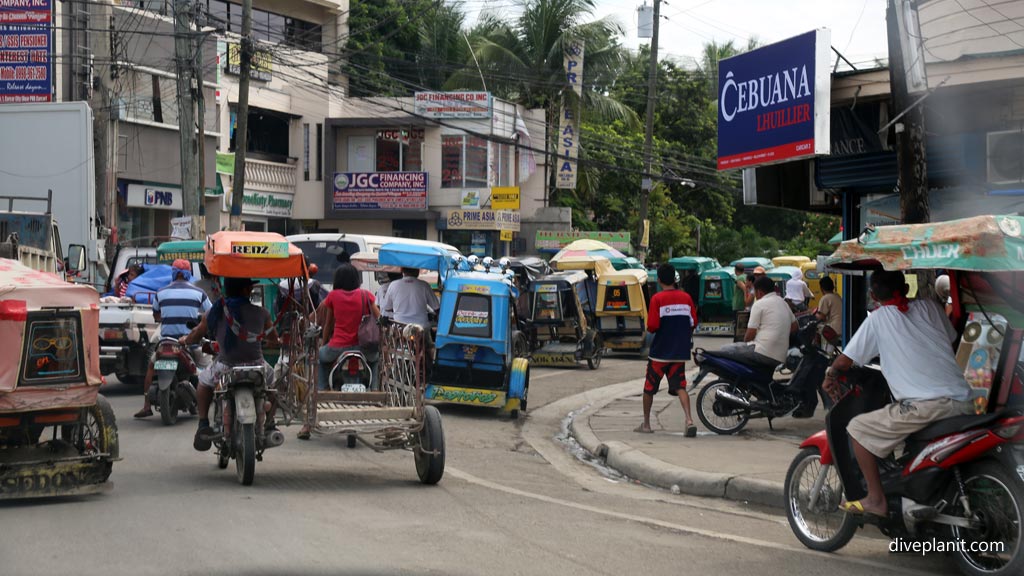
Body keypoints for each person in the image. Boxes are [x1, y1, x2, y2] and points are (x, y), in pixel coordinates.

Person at [823, 271, 974, 517]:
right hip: (964, 399)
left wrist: (830, 375)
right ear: (905, 287)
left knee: (858, 430)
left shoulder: (877, 319)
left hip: (927, 406)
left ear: (872, 295)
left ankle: (875, 499)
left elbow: (845, 361)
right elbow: (950, 338)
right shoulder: (930, 307)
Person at [179, 277, 280, 451]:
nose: (250, 290)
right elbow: (273, 339)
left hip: (226, 367)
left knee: (203, 383)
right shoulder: (262, 313)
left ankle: (203, 423)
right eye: (249, 287)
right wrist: (271, 343)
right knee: (273, 388)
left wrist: (185, 340)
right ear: (244, 290)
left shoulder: (215, 312)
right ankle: (270, 423)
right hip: (257, 367)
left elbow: (196, 335)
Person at [135, 259, 211, 418]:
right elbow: (210, 315)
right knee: (206, 369)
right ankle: (205, 403)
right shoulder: (199, 293)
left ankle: (146, 405)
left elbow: (156, 316)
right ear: (188, 273)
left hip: (166, 343)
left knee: (151, 366)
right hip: (189, 344)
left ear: (173, 273)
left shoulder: (160, 292)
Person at [635, 263, 698, 437]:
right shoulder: (686, 298)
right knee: (680, 386)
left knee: (649, 387)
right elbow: (693, 322)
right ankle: (689, 420)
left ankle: (646, 424)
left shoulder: (657, 299)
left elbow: (653, 326)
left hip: (660, 353)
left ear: (660, 279)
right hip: (679, 353)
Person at [720, 275, 797, 368]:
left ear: (759, 292)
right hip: (780, 357)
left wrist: (746, 344)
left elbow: (750, 335)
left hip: (762, 352)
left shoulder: (759, 304)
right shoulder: (783, 303)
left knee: (725, 349)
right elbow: (794, 327)